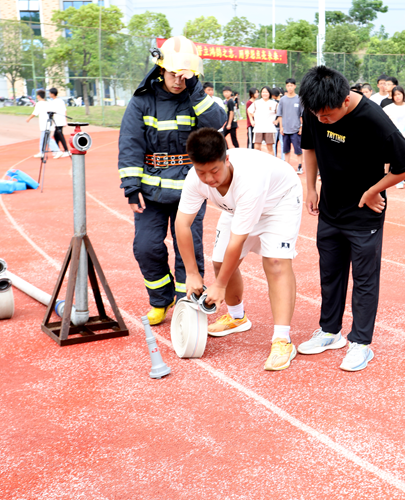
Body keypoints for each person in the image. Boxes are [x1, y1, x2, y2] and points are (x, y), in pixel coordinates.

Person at [298, 66, 405, 371]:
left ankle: (361, 343)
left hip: (365, 213)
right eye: (317, 114)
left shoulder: (372, 118)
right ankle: (329, 331)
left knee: (364, 280)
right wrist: (310, 187)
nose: (321, 119)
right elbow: (309, 148)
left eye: (327, 114)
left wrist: (373, 190)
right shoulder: (314, 109)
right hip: (330, 208)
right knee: (330, 274)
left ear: (344, 101)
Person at [117, 36, 226, 325]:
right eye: (173, 74)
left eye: (184, 75)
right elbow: (130, 143)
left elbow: (216, 123)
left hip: (189, 190)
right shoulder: (142, 101)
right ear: (160, 70)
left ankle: (185, 302)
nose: (178, 81)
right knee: (146, 247)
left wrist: (195, 92)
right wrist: (131, 187)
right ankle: (160, 300)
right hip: (150, 191)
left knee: (188, 249)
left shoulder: (197, 98)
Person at [178, 129, 303, 370]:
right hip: (237, 208)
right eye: (201, 172)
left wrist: (220, 285)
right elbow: (182, 224)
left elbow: (237, 243)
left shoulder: (249, 178)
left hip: (279, 203)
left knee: (276, 263)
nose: (209, 179)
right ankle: (237, 317)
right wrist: (192, 273)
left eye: (214, 171)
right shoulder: (195, 179)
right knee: (218, 262)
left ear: (226, 159)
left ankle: (282, 339)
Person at [276, 78, 304, 174]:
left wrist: (301, 127)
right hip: (285, 129)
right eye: (288, 85)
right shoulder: (282, 100)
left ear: (295, 86)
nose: (290, 87)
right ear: (286, 87)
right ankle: (287, 167)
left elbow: (302, 115)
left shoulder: (299, 99)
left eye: (291, 85)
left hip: (296, 129)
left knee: (298, 150)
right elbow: (279, 115)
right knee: (286, 150)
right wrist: (281, 127)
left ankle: (300, 166)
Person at [26, 89, 60, 158]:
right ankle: (43, 151)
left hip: (44, 124)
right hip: (49, 122)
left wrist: (28, 119)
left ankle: (56, 150)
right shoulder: (48, 103)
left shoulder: (39, 104)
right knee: (44, 138)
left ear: (38, 96)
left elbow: (35, 113)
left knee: (47, 138)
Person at [247, 86, 277, 155]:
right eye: (263, 92)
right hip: (258, 128)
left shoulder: (274, 103)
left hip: (269, 128)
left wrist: (277, 120)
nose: (264, 94)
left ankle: (273, 164)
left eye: (266, 92)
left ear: (269, 93)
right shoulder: (257, 102)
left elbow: (280, 113)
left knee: (270, 148)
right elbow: (249, 110)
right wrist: (251, 120)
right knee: (256, 147)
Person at [48, 88, 71, 159]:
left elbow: (52, 111)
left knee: (60, 135)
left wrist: (65, 121)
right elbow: (65, 110)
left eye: (49, 93)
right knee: (56, 135)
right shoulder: (60, 101)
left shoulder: (54, 102)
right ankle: (57, 150)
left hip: (58, 121)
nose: (49, 94)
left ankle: (66, 150)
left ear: (52, 94)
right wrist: (65, 120)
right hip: (59, 120)